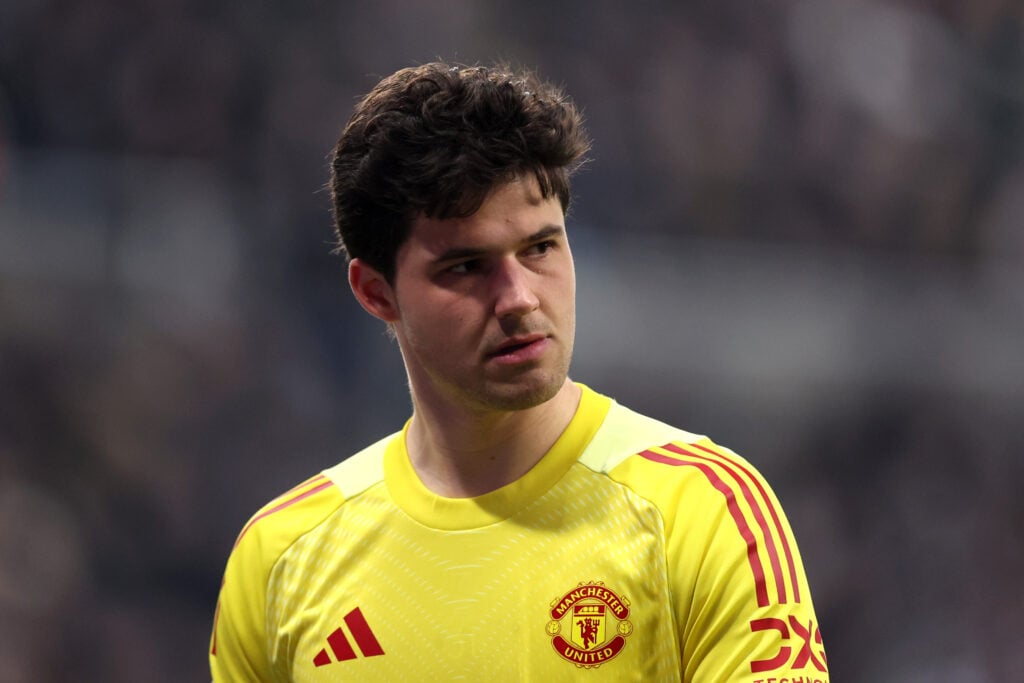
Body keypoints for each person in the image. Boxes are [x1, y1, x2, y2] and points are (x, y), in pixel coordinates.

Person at [209, 61, 829, 682]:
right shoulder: (280, 560)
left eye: (540, 247)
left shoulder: (702, 510)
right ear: (377, 293)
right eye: (466, 267)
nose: (520, 298)